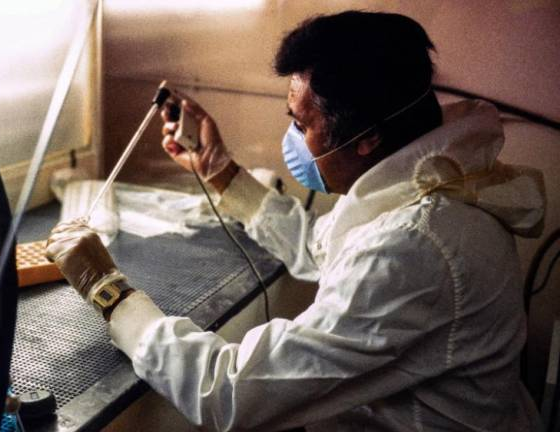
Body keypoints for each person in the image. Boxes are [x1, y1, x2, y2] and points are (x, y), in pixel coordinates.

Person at [46, 11, 546, 431]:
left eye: (301, 124)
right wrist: (219, 172)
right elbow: (320, 247)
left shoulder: (416, 244)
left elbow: (230, 393)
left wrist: (108, 291)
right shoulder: (431, 186)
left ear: (367, 138)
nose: (292, 138)